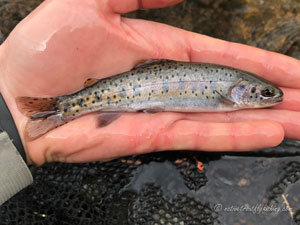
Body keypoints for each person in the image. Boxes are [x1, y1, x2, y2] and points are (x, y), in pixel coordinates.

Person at [0, 0, 300, 205]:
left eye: (265, 95)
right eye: (263, 94)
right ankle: (64, 107)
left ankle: (61, 109)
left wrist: (9, 127)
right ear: (242, 89)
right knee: (74, 104)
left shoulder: (230, 92)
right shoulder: (227, 97)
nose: (266, 98)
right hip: (124, 91)